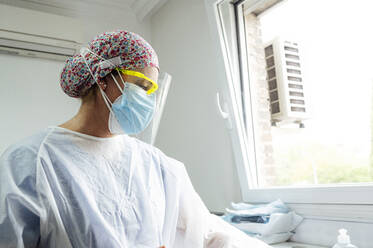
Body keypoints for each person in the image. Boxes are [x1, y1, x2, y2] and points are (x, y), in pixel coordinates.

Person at [0, 30, 270, 248]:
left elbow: (210, 233)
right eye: (141, 85)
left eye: (152, 90)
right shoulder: (30, 162)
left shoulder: (157, 164)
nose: (147, 100)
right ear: (103, 78)